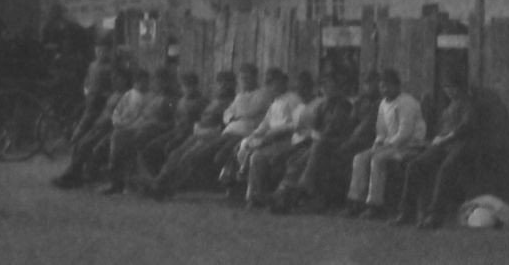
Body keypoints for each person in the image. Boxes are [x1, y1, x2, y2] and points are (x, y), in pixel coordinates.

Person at [392, 68, 476, 228]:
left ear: (461, 87)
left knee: (445, 170)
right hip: (443, 146)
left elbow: (466, 127)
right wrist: (433, 140)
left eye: (452, 87)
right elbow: (441, 129)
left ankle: (435, 215)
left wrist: (446, 137)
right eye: (446, 88)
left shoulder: (467, 104)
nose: (449, 91)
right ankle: (406, 212)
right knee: (415, 165)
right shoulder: (450, 106)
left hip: (461, 146)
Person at [139, 70, 237, 199]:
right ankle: (158, 182)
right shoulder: (215, 101)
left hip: (213, 136)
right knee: (176, 154)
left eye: (227, 83)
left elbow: (227, 125)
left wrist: (206, 130)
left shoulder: (233, 102)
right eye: (221, 83)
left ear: (234, 84)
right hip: (198, 133)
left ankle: (167, 189)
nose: (223, 86)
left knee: (188, 157)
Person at [344, 68, 427, 219]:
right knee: (360, 158)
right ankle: (356, 201)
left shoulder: (407, 102)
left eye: (389, 85)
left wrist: (386, 145)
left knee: (378, 159)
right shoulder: (383, 104)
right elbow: (381, 130)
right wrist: (378, 142)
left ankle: (375, 205)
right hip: (390, 145)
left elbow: (405, 133)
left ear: (397, 86)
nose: (385, 89)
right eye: (382, 86)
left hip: (410, 145)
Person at [270, 71, 355, 213]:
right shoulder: (323, 105)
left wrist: (317, 135)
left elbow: (334, 128)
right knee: (295, 156)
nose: (326, 89)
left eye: (330, 86)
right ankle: (282, 193)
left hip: (337, 143)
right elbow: (314, 127)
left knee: (314, 150)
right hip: (319, 141)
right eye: (324, 86)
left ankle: (301, 188)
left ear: (338, 88)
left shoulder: (343, 105)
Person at [234, 69, 304, 207]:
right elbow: (265, 123)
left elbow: (297, 123)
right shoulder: (275, 102)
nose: (272, 86)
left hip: (288, 139)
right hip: (272, 138)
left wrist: (274, 132)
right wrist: (254, 135)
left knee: (258, 156)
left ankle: (256, 195)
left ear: (283, 82)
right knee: (244, 146)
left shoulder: (293, 99)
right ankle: (249, 190)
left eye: (275, 82)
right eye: (269, 83)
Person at [52, 68, 130, 189]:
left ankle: (74, 174)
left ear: (124, 80)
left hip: (110, 128)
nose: (114, 81)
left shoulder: (126, 96)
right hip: (100, 126)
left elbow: (121, 116)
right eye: (113, 78)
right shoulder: (113, 94)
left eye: (117, 78)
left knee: (86, 144)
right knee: (80, 142)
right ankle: (73, 174)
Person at [103, 67, 174, 194]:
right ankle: (116, 182)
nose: (154, 84)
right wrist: (127, 124)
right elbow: (141, 116)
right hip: (139, 126)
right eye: (155, 81)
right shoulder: (152, 97)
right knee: (117, 137)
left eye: (158, 81)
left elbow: (170, 121)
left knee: (131, 143)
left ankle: (138, 184)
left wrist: (154, 124)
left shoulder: (168, 99)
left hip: (153, 129)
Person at [139, 71, 206, 175]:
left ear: (196, 86)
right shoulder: (181, 100)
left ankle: (166, 177)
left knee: (170, 147)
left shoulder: (202, 102)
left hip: (189, 133)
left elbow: (202, 122)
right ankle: (153, 176)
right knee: (152, 147)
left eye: (190, 86)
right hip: (176, 130)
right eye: (185, 86)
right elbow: (175, 117)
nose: (187, 89)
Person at [71, 33, 115, 143]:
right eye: (98, 50)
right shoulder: (92, 65)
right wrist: (86, 89)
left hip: (103, 100)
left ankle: (83, 141)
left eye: (104, 51)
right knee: (83, 119)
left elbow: (114, 83)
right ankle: (75, 139)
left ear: (108, 52)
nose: (100, 53)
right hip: (91, 98)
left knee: (95, 123)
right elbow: (87, 79)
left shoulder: (111, 67)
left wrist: (108, 94)